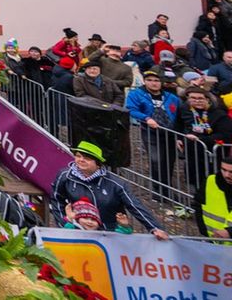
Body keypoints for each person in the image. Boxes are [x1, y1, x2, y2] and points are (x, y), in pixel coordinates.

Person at [49, 141, 168, 238]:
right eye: (78, 156)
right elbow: (56, 199)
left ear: (98, 163)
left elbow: (135, 206)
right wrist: (63, 223)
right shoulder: (64, 175)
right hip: (77, 232)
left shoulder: (117, 184)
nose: (81, 160)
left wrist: (154, 228)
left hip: (109, 235)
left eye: (87, 158)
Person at [126, 69, 180, 199]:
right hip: (150, 131)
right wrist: (146, 118)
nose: (153, 83)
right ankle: (157, 191)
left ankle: (166, 189)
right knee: (156, 160)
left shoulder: (171, 97)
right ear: (144, 81)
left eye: (156, 80)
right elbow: (131, 109)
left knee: (169, 161)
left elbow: (179, 114)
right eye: (149, 80)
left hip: (169, 131)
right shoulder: (137, 94)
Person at [194, 154, 232, 239]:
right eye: (224, 170)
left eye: (231, 172)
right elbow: (198, 205)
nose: (227, 175)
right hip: (214, 242)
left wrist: (230, 232)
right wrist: (204, 231)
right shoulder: (210, 181)